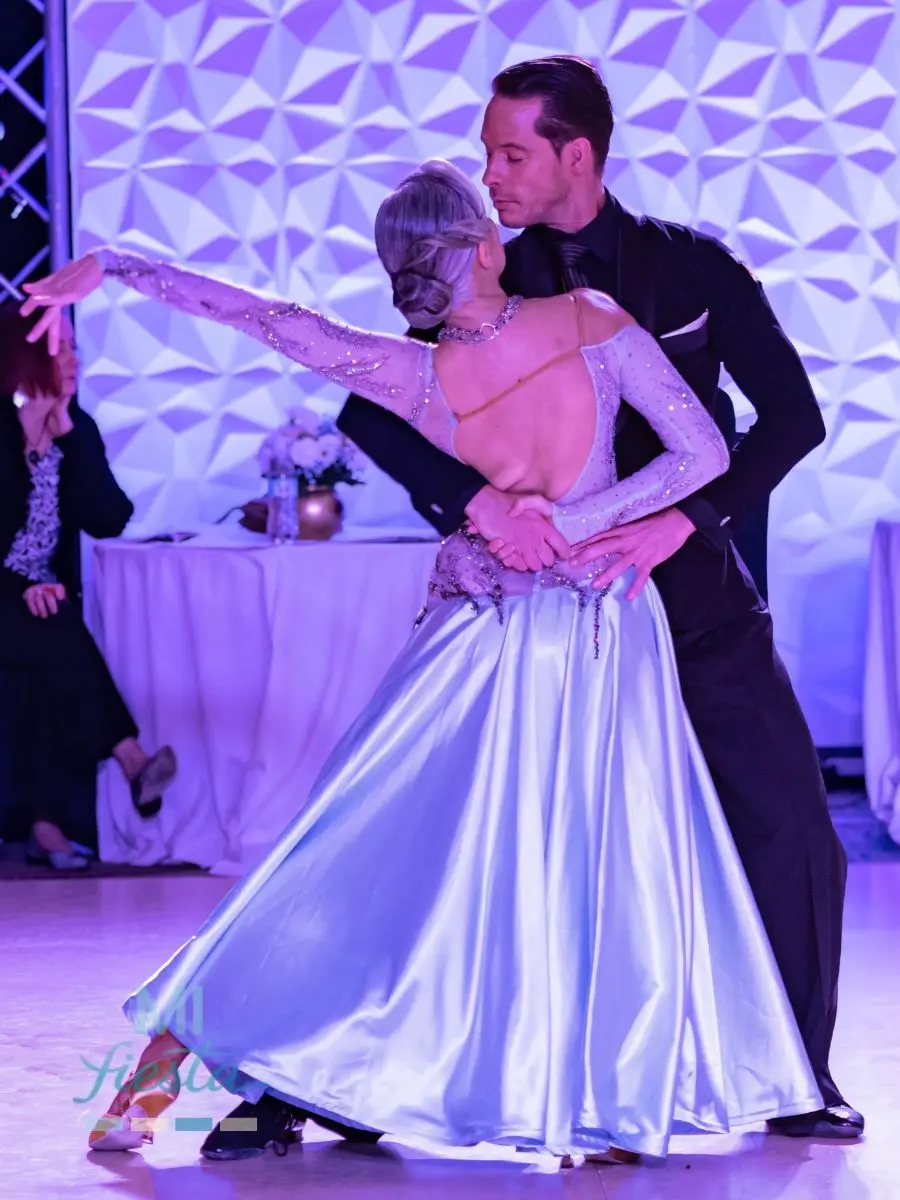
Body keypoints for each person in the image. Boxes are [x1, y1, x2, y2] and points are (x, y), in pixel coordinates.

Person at [25, 159, 821, 1166]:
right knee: (591, 873)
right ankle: (592, 1101)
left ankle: (153, 1091)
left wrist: (122, 266)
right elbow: (702, 454)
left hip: (484, 641)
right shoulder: (587, 319)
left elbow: (266, 317)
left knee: (342, 859)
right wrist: (574, 521)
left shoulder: (406, 370)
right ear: (487, 244)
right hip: (588, 629)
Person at [333, 58, 860, 1143]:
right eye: (485, 153)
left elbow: (793, 420)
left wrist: (686, 518)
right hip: (539, 613)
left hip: (694, 595)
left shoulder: (692, 268)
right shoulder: (477, 272)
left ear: (580, 153)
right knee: (422, 840)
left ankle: (800, 1077)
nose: (491, 174)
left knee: (795, 832)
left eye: (512, 152)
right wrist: (479, 503)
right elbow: (373, 412)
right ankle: (325, 1078)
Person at [0, 302, 177, 869]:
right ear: (25, 355)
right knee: (51, 623)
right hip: (6, 593)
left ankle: (46, 827)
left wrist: (71, 437)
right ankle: (129, 759)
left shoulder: (77, 430)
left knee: (48, 643)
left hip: (39, 605)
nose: (75, 360)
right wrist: (17, 587)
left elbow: (109, 517)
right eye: (62, 348)